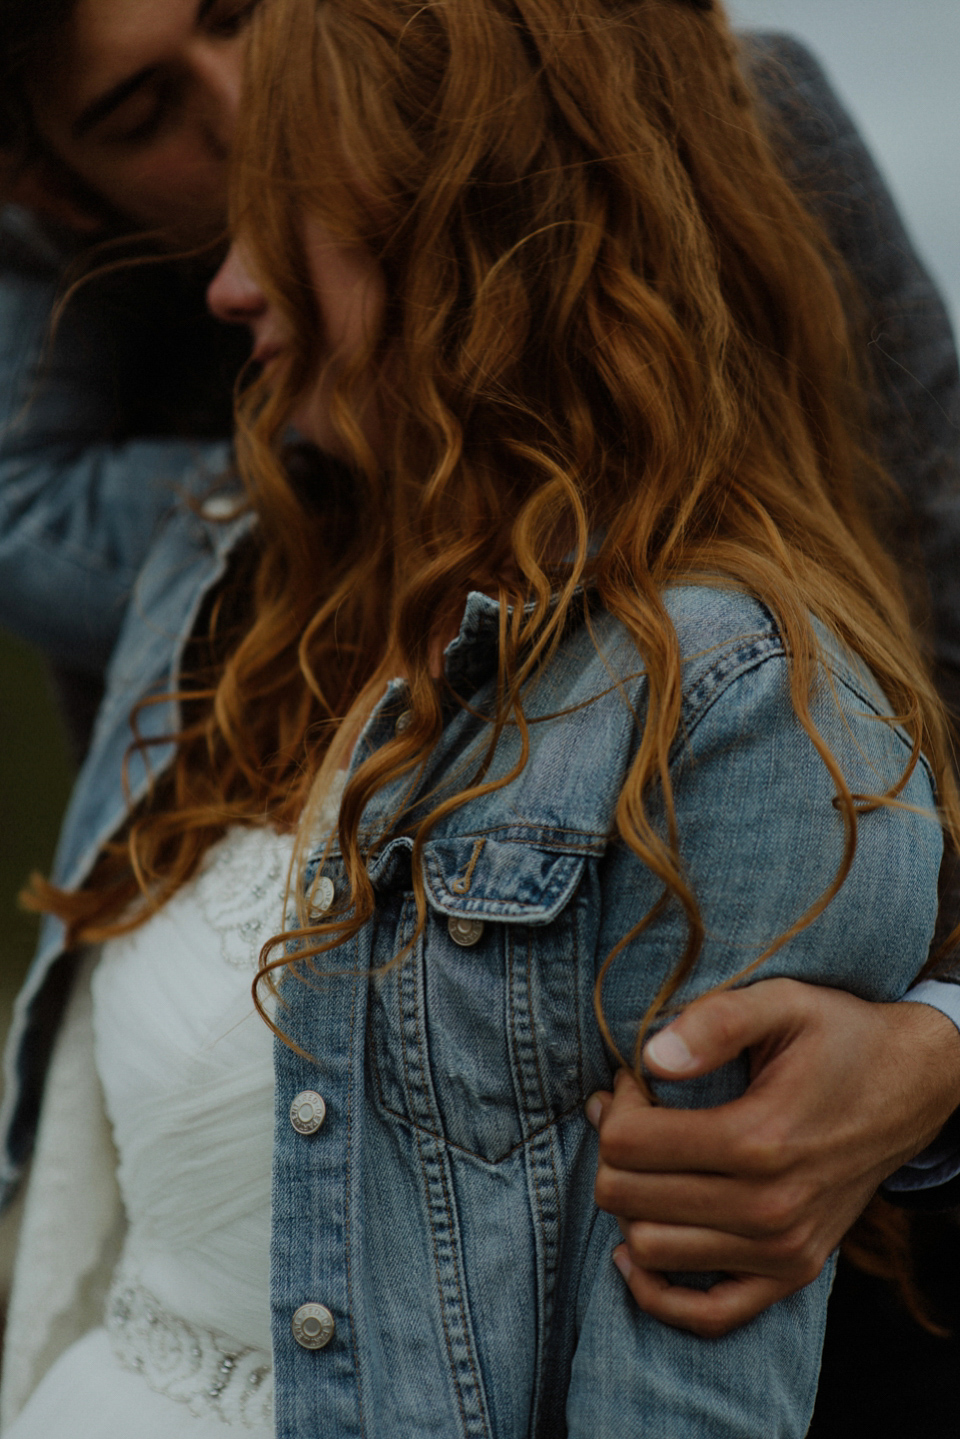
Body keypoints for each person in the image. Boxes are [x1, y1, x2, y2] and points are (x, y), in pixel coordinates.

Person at [0, 0, 955, 1432]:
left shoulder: (742, 681)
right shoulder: (209, 554)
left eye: (240, 12)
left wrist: (937, 1044)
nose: (242, 98)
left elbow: (908, 677)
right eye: (143, 115)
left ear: (497, 184)